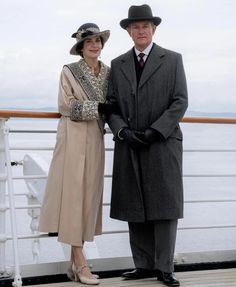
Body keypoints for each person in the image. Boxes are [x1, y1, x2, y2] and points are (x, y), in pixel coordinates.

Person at [106, 4, 188, 287]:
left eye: (145, 26)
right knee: (134, 203)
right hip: (129, 143)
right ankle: (142, 265)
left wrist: (156, 131)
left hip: (162, 142)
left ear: (153, 29)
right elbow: (112, 106)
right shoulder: (117, 64)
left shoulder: (173, 59)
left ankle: (165, 268)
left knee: (164, 205)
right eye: (135, 27)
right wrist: (122, 131)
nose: (140, 31)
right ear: (129, 32)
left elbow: (180, 101)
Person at [39, 23, 115, 285]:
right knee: (73, 197)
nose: (95, 45)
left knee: (87, 198)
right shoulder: (68, 71)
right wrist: (100, 107)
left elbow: (114, 104)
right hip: (72, 137)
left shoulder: (108, 72)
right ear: (81, 47)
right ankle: (81, 262)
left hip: (94, 137)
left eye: (98, 41)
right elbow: (66, 105)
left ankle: (75, 263)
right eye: (89, 41)